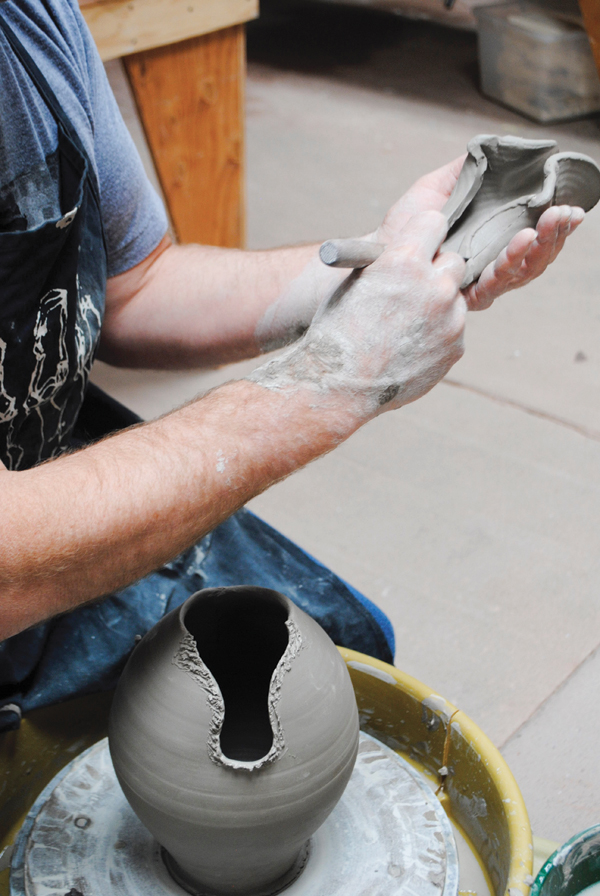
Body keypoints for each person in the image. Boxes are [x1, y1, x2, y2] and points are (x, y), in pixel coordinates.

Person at [0, 0, 582, 730]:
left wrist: (382, 272)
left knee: (343, 650)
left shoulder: (30, 20)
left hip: (38, 470)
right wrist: (335, 376)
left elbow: (137, 287)